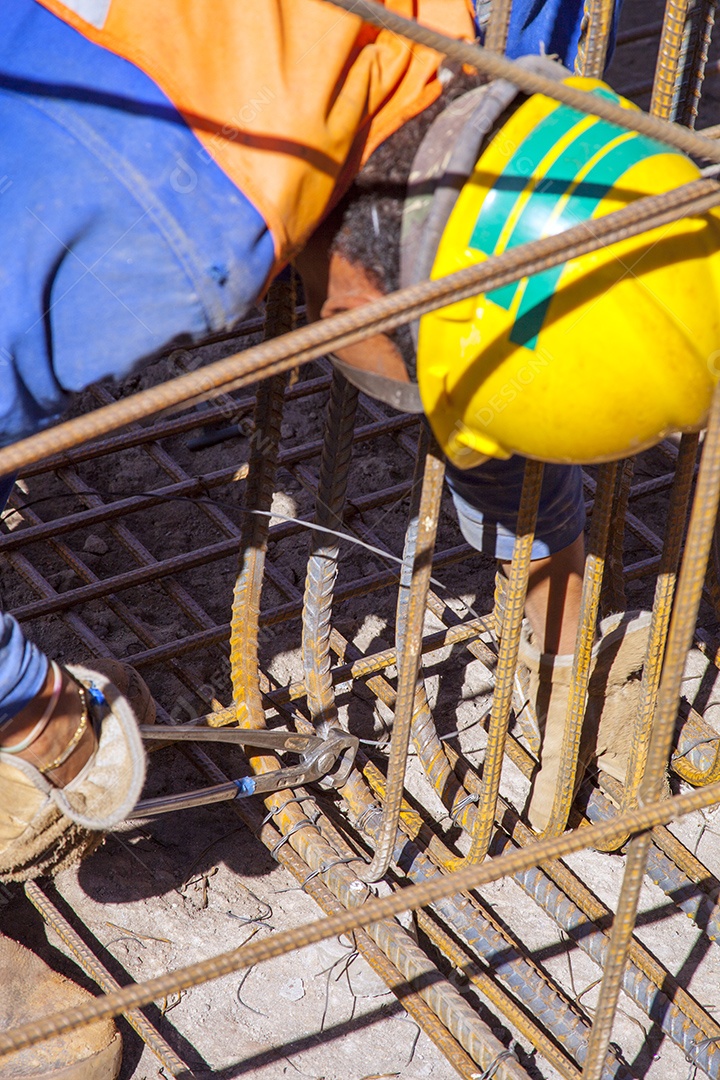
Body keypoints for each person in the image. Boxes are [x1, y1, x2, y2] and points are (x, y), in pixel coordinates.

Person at [2, 1, 717, 1074]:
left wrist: (559, 589)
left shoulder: (514, 34)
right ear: (377, 300)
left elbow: (498, 308)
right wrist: (36, 710)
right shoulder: (148, 211)